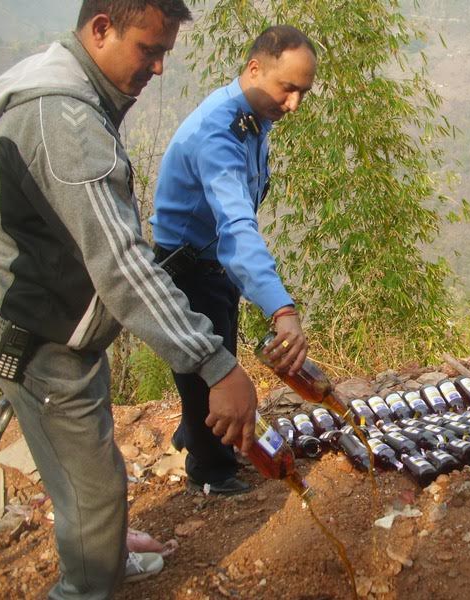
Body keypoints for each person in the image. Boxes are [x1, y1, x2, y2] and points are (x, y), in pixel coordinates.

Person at [0, 1, 260, 596]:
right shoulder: (67, 123)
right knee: (95, 490)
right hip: (42, 339)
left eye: (164, 53)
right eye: (149, 50)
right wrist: (216, 363)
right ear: (101, 29)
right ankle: (87, 581)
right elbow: (124, 266)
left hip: (57, 323)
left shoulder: (75, 91)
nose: (158, 68)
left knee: (90, 468)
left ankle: (98, 549)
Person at [150, 25, 316, 495]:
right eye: (287, 88)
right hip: (189, 269)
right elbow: (237, 228)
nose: (293, 104)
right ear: (254, 69)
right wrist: (281, 309)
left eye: (302, 93)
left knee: (215, 354)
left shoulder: (252, 119)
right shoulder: (219, 133)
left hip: (213, 265)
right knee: (209, 368)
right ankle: (210, 472)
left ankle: (192, 434)